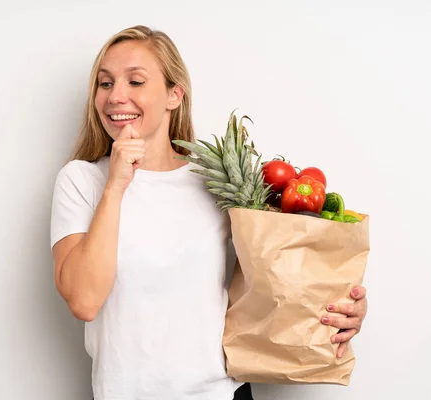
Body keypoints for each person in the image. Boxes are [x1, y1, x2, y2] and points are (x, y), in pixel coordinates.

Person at [50, 25, 368, 400]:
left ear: (174, 95)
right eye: (105, 84)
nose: (116, 96)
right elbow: (84, 301)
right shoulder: (81, 180)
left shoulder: (213, 180)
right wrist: (116, 186)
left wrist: (340, 306)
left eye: (135, 82)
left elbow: (282, 272)